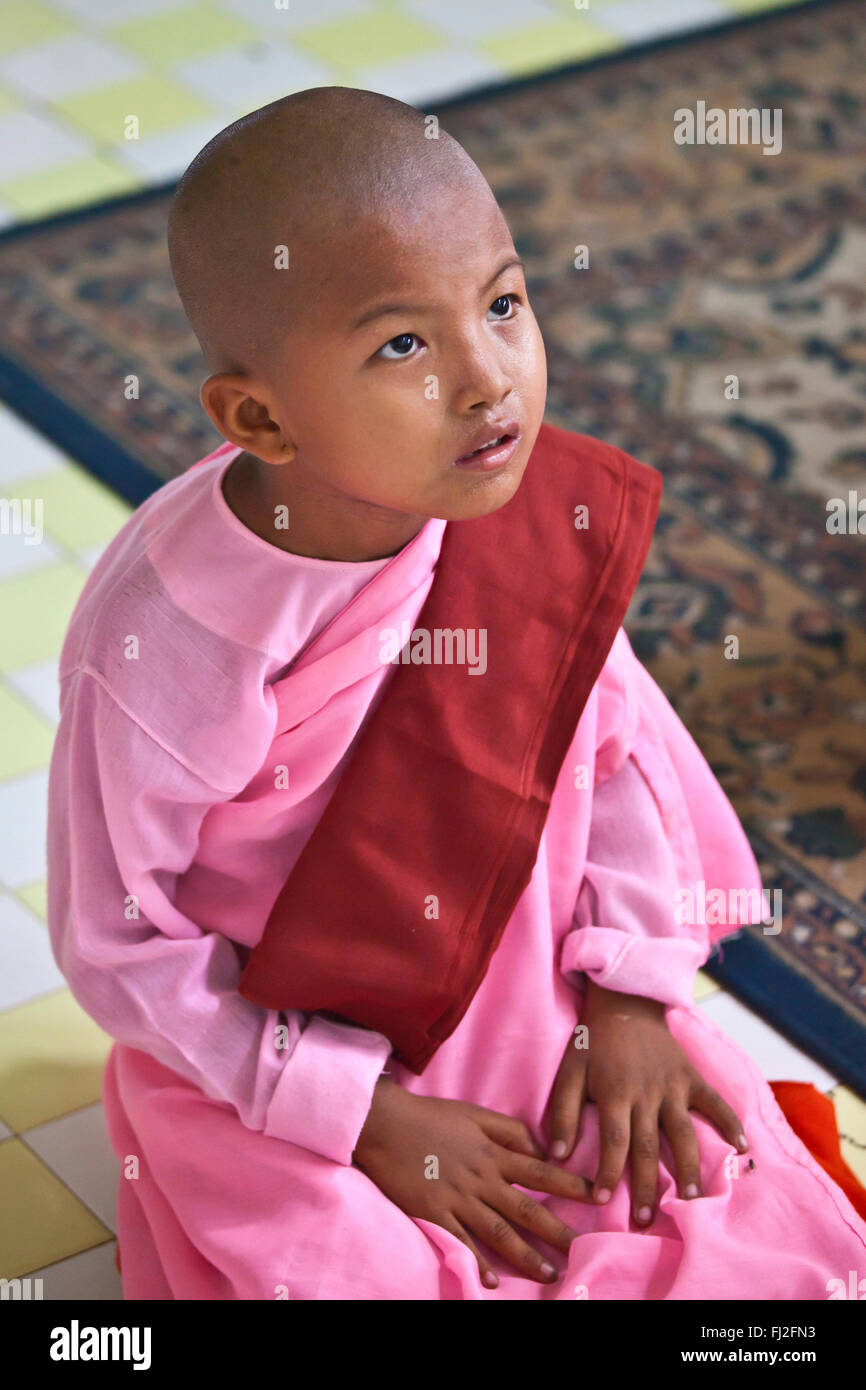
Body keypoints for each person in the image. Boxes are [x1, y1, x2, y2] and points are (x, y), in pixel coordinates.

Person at [46, 86, 866, 1300]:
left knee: (702, 1193)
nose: (489, 381)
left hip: (524, 988)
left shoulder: (514, 506)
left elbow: (612, 743)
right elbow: (119, 940)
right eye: (401, 345)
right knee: (338, 1266)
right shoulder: (168, 641)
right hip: (286, 1046)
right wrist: (355, 1114)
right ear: (258, 415)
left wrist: (628, 1000)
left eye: (501, 303)